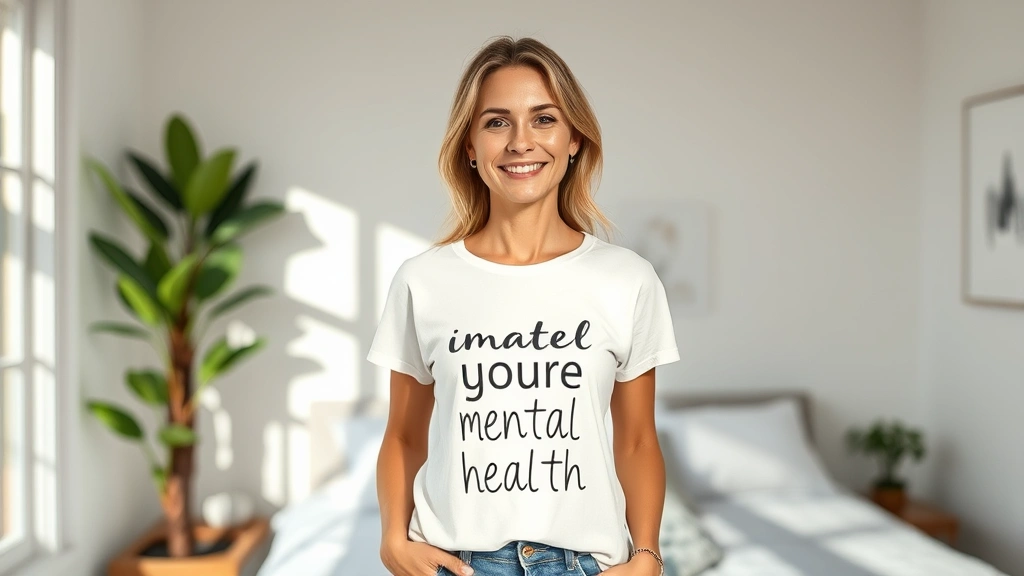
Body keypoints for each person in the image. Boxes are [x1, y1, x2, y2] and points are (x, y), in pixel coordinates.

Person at [371, 36, 679, 576]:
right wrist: (392, 538)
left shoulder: (627, 280)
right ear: (469, 146)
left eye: (543, 119)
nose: (520, 142)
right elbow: (403, 434)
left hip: (583, 564)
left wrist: (648, 554)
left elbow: (636, 441)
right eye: (496, 122)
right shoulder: (423, 281)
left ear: (574, 139)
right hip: (455, 563)